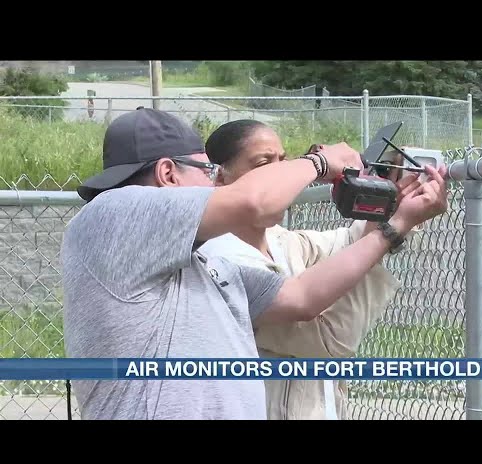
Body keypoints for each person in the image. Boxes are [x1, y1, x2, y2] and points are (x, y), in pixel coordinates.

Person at [61, 108, 448, 420]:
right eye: (206, 171)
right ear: (167, 174)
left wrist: (398, 223)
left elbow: (302, 298)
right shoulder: (113, 213)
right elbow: (252, 202)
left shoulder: (204, 260)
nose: (215, 183)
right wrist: (317, 163)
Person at [200, 119, 447, 420]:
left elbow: (350, 245)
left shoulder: (280, 240)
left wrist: (391, 203)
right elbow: (328, 341)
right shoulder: (218, 259)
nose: (280, 174)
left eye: (283, 162)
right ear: (219, 178)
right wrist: (396, 226)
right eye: (263, 163)